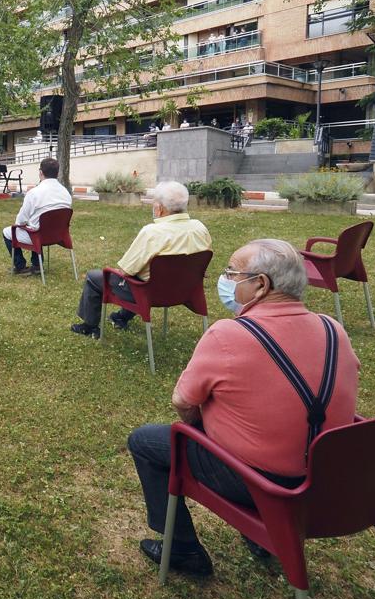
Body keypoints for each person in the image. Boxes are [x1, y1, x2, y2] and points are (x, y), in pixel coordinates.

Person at [127, 239, 360, 575]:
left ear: (261, 284)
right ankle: (262, 536)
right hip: (325, 481)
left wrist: (207, 426)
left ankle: (183, 549)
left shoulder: (228, 335)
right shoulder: (334, 329)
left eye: (231, 273)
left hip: (262, 484)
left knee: (146, 442)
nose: (225, 280)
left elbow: (183, 402)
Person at [70, 180, 211, 338]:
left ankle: (89, 326)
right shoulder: (200, 228)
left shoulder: (152, 232)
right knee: (140, 277)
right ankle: (121, 317)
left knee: (95, 278)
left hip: (150, 292)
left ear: (159, 208)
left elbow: (126, 270)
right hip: (186, 289)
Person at [2, 157, 72, 275]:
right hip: (59, 235)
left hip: (38, 236)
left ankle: (20, 266)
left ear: (40, 172)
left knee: (8, 231)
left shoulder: (34, 193)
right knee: (35, 224)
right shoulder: (65, 192)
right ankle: (37, 265)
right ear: (57, 172)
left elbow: (20, 222)